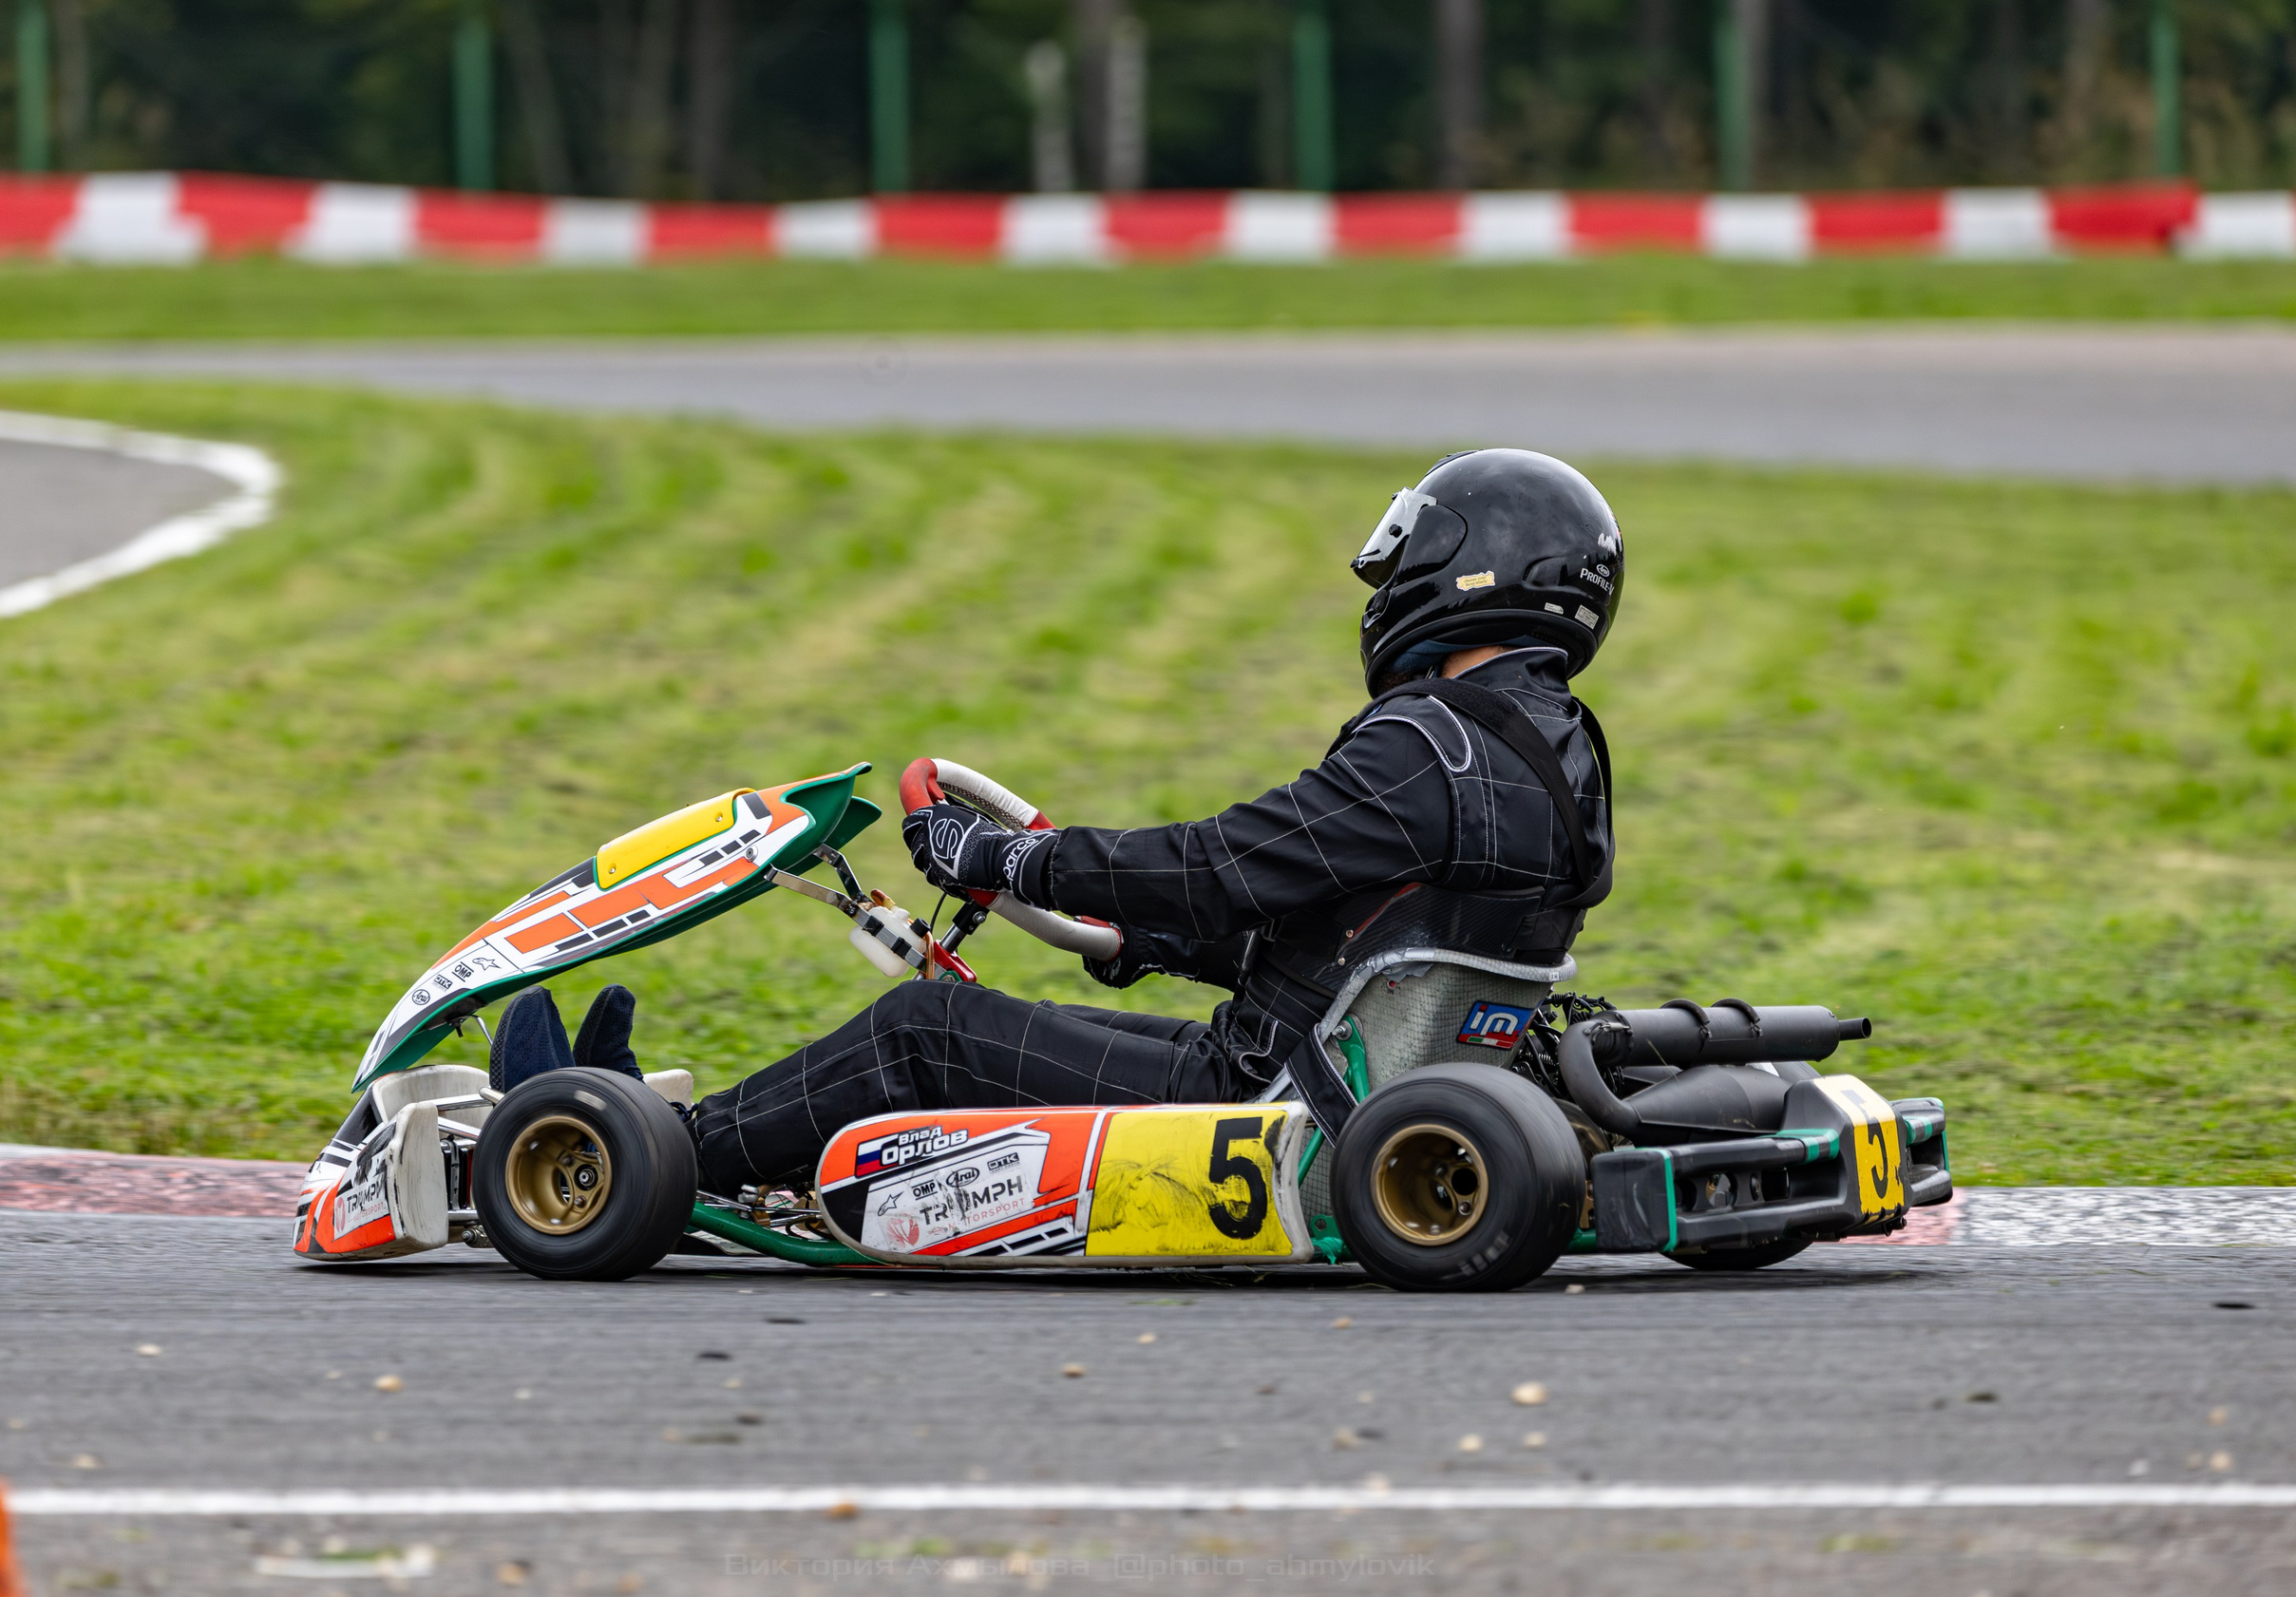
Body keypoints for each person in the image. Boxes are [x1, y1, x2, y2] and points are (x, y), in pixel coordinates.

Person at [498, 447, 1623, 1200]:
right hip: (1340, 1077)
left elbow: (1222, 864)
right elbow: (1369, 929)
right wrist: (1146, 936)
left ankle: (637, 1160)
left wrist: (1007, 856)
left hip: (1268, 1107)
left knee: (925, 1029)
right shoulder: (1558, 747)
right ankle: (676, 1133)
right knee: (1004, 1019)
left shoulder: (1424, 742)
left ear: (1467, 567)